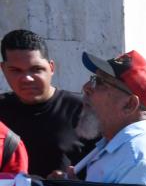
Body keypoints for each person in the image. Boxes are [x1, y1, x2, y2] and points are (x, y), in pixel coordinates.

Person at [53, 50, 146, 186]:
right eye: (93, 78)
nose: (86, 87)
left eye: (99, 82)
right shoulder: (118, 147)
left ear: (129, 104)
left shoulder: (138, 162)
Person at [0, 29, 92, 178]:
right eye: (16, 70)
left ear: (51, 67)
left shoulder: (84, 111)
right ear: (3, 70)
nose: (27, 78)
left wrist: (74, 181)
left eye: (36, 69)